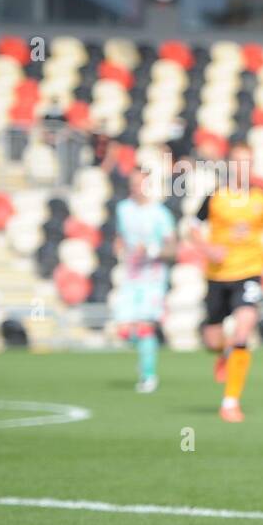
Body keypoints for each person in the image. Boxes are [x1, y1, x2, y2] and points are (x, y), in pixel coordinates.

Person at [190, 140, 263, 423]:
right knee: (212, 339)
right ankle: (222, 353)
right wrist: (207, 248)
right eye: (238, 162)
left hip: (249, 274)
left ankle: (230, 402)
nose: (243, 168)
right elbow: (193, 227)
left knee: (243, 331)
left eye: (248, 163)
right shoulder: (215, 197)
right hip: (217, 276)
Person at [112, 167, 177, 392]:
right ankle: (144, 355)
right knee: (124, 330)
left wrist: (150, 250)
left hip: (153, 278)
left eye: (141, 183)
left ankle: (148, 376)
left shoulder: (160, 214)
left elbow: (172, 248)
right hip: (130, 277)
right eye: (133, 183)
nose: (136, 188)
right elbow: (121, 236)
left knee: (145, 327)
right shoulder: (123, 210)